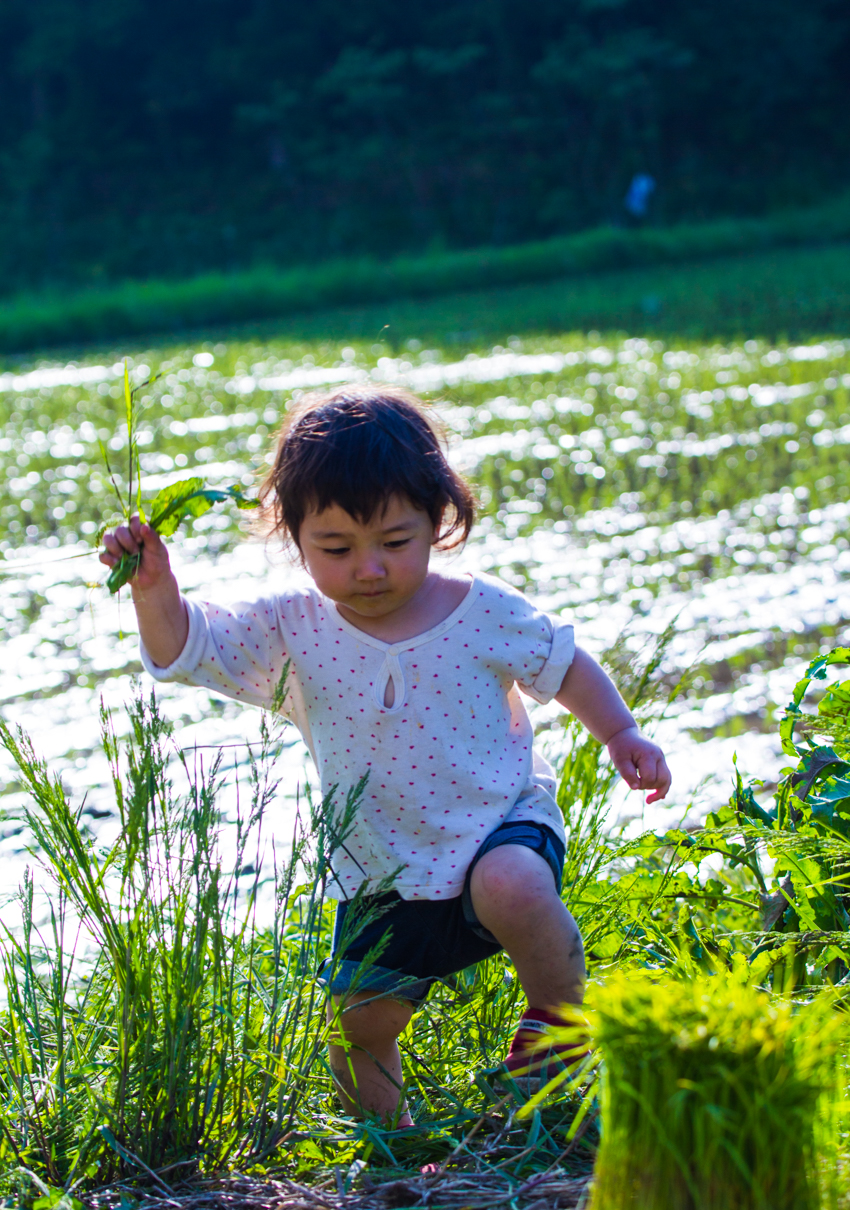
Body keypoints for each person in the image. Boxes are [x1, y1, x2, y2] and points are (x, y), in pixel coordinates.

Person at [100, 384, 671, 1126]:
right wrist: (155, 586)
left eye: (394, 542)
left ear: (440, 521)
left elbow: (562, 664)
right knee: (359, 1026)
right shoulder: (290, 628)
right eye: (335, 548)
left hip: (498, 823)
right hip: (381, 866)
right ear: (294, 535)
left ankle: (557, 1024)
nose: (368, 568)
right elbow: (188, 649)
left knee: (514, 886)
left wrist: (621, 732)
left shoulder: (482, 609)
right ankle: (392, 1149)